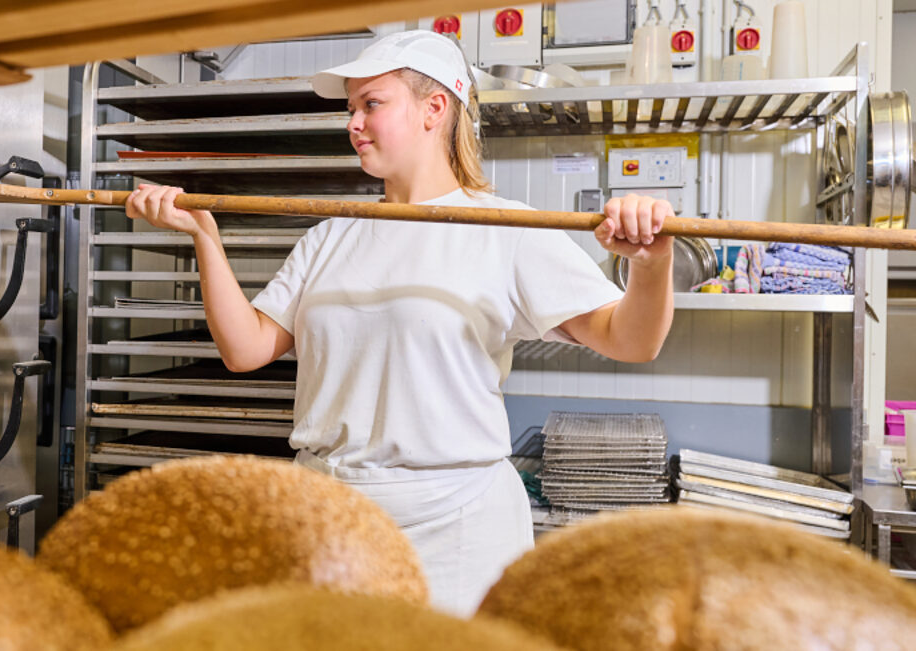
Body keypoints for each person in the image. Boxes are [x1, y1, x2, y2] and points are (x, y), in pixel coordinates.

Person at [125, 30, 675, 616]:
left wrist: (651, 265)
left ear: (434, 109)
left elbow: (632, 341)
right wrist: (206, 237)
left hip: (453, 520)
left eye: (372, 104)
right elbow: (246, 348)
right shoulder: (332, 233)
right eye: (351, 109)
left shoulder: (509, 230)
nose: (353, 124)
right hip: (328, 511)